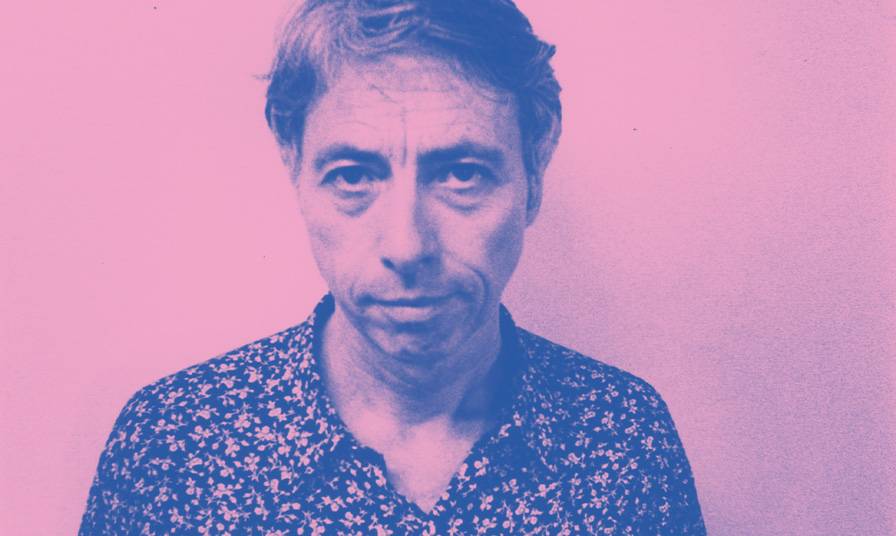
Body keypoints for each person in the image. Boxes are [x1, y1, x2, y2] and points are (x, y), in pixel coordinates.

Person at [80, 1, 705, 533]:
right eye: (353, 175)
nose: (407, 246)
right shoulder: (174, 445)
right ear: (294, 165)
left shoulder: (623, 436)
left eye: (462, 174)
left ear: (534, 172)